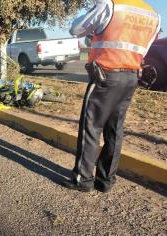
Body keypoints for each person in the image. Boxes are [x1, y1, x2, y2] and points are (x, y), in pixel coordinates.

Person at [64, 0, 160, 193]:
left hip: (106, 75)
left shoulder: (110, 4)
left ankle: (83, 179)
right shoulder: (153, 15)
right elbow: (145, 47)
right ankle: (105, 180)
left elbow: (75, 29)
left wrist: (93, 32)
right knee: (115, 129)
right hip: (132, 76)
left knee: (91, 127)